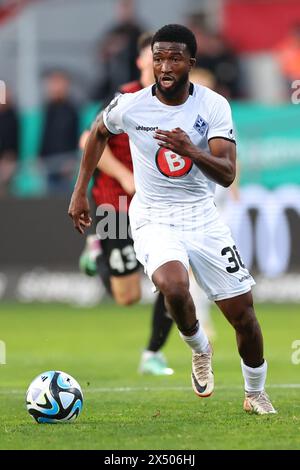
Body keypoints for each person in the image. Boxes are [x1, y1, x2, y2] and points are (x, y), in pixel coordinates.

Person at [69, 24, 276, 415]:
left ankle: (255, 392)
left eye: (174, 58)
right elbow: (96, 132)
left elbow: (227, 173)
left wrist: (190, 150)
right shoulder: (130, 105)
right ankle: (199, 349)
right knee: (173, 285)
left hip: (203, 218)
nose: (164, 65)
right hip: (153, 216)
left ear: (190, 63)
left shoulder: (213, 105)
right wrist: (80, 191)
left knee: (243, 316)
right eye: (158, 56)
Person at [80, 33, 174, 376]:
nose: (161, 64)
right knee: (127, 297)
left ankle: (152, 352)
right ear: (140, 62)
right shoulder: (124, 96)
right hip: (113, 203)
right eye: (154, 58)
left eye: (167, 58)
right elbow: (87, 139)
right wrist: (123, 175)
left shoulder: (176, 100)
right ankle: (98, 252)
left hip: (157, 205)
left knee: (173, 275)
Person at [40, 70, 79, 194]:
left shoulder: (71, 109)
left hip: (65, 162)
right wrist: (40, 156)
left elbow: (74, 136)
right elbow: (45, 135)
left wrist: (71, 160)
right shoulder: (48, 108)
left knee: (64, 199)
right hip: (49, 162)